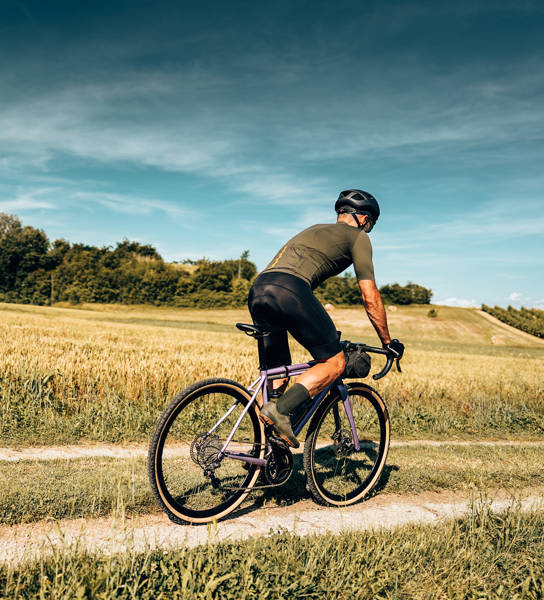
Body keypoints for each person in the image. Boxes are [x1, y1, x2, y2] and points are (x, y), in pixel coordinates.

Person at [248, 189, 404, 448]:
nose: (368, 228)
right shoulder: (358, 238)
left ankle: (265, 452)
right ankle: (280, 411)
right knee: (334, 362)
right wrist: (387, 341)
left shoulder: (313, 229)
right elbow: (369, 295)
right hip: (290, 289)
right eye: (370, 223)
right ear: (363, 219)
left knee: (277, 374)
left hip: (259, 288)